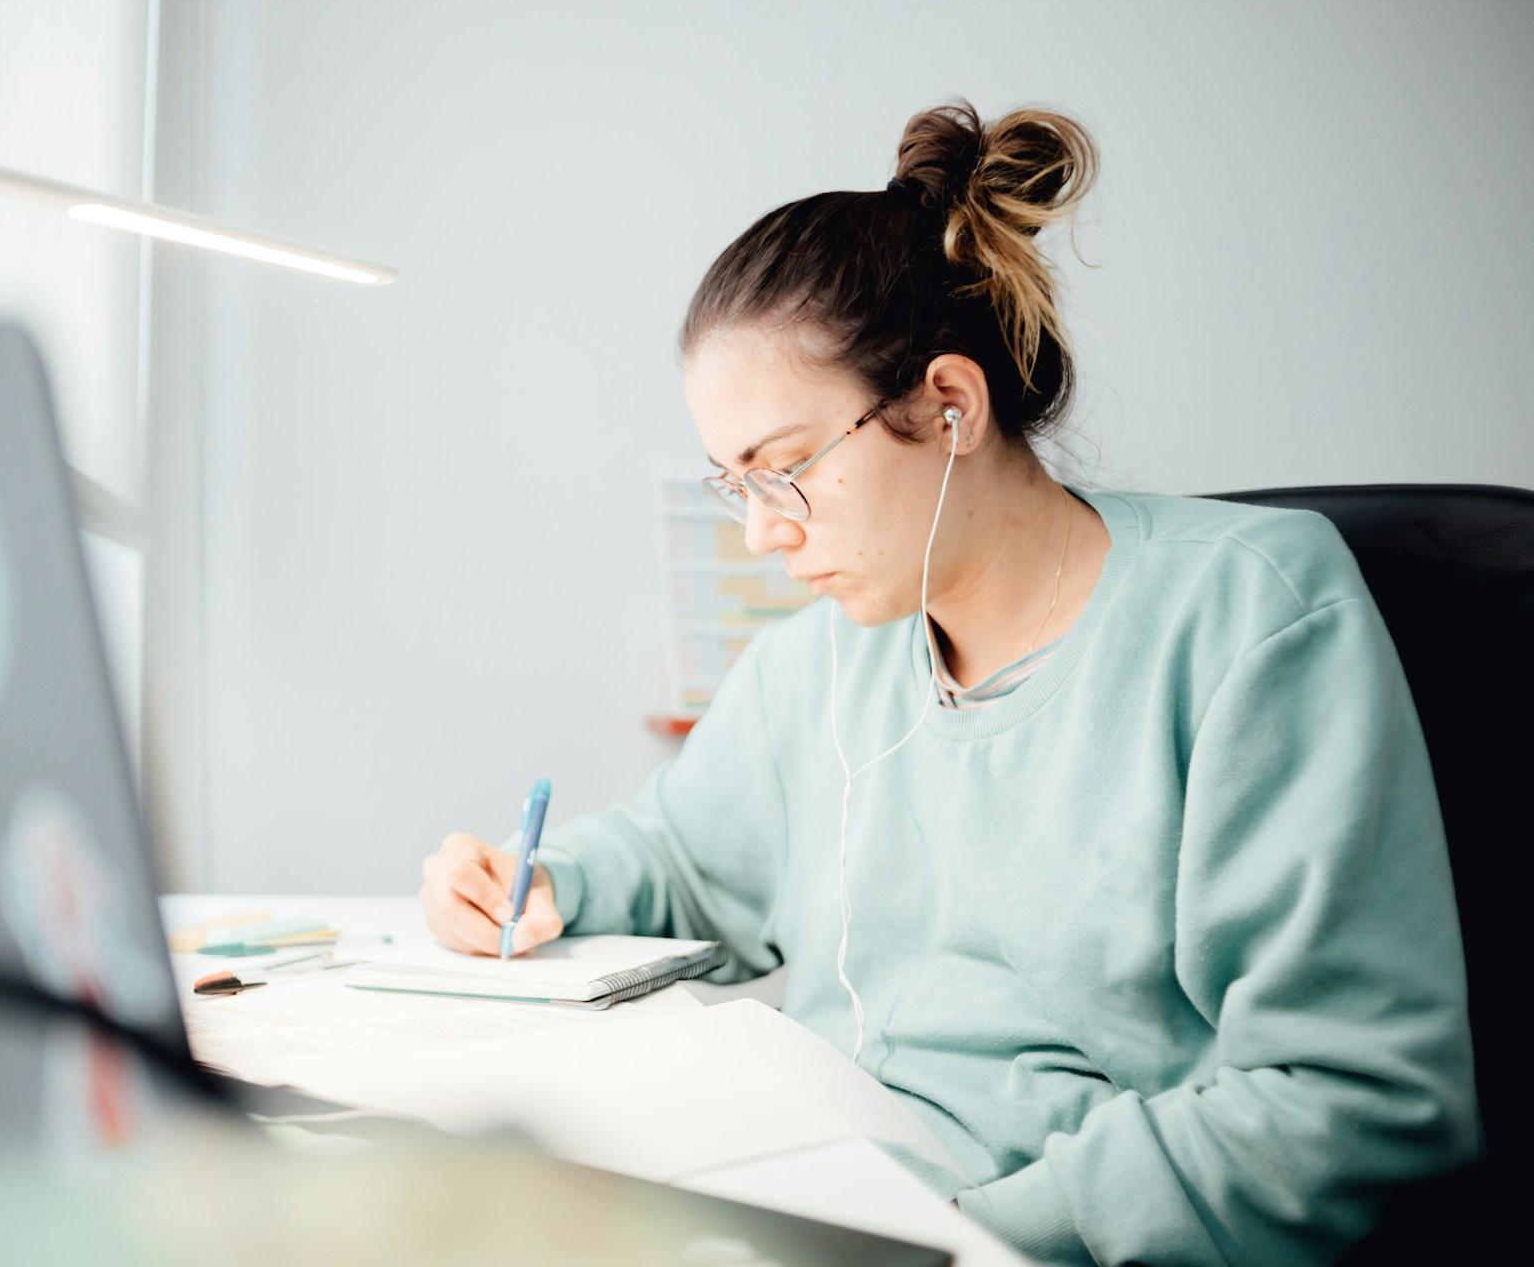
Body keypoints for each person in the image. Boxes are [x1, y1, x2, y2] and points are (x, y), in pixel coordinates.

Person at [416, 98, 1479, 1265]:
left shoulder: (1248, 616)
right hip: (824, 1206)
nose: (765, 535)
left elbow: (1347, 1098)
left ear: (951, 404)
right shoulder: (821, 657)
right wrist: (541, 877)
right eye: (735, 486)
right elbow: (680, 861)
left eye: (785, 471)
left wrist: (956, 1237)